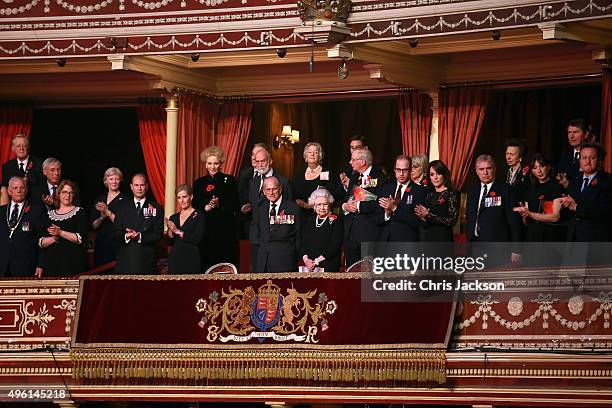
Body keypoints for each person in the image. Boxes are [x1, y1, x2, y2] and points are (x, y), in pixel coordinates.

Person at [465, 155, 521, 264]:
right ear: (476, 171)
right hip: (475, 246)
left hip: (498, 248)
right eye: (481, 169)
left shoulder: (506, 190)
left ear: (494, 169)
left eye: (488, 168)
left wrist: (516, 249)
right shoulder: (472, 191)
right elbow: (470, 218)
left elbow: (514, 222)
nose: (485, 173)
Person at [193, 146, 240, 269]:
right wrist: (206, 207)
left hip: (224, 230)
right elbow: (195, 205)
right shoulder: (198, 183)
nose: (212, 167)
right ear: (205, 164)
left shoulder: (230, 180)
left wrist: (220, 204)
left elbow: (235, 204)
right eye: (209, 163)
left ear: (221, 164)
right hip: (205, 230)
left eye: (216, 163)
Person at [246, 148, 292, 271]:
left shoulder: (283, 181)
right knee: (258, 272)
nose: (260, 165)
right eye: (257, 161)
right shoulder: (254, 181)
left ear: (270, 161)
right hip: (257, 236)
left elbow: (288, 209)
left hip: (277, 239)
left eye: (263, 161)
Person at [342, 146, 386, 266]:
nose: (350, 162)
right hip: (351, 235)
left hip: (369, 236)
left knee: (368, 277)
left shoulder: (380, 178)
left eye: (353, 159)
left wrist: (360, 206)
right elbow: (346, 199)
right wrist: (345, 206)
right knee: (352, 276)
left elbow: (381, 204)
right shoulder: (354, 177)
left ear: (362, 162)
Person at [559, 143, 611, 242]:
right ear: (580, 160)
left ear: (599, 160)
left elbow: (605, 212)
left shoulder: (607, 181)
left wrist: (577, 207)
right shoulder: (574, 181)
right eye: (584, 158)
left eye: (592, 158)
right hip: (573, 238)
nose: (587, 161)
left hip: (595, 239)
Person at [114, 173, 164, 275]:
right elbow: (116, 232)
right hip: (126, 261)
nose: (139, 188)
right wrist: (126, 236)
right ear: (131, 187)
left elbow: (158, 233)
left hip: (146, 261)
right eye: (136, 185)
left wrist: (140, 236)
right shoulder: (122, 207)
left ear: (147, 186)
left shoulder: (156, 208)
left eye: (142, 185)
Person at [38, 180, 88, 277]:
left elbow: (81, 238)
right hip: (52, 265)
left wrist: (60, 233)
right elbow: (40, 242)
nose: (67, 195)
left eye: (70, 192)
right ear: (58, 194)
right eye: (64, 192)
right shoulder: (48, 215)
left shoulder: (80, 213)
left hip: (73, 264)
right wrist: (54, 238)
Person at [512, 154, 565, 242]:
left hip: (550, 236)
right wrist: (524, 214)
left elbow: (555, 217)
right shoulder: (529, 191)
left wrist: (531, 214)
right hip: (531, 236)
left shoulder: (556, 187)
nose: (539, 171)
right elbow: (526, 222)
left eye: (542, 166)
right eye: (535, 168)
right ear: (532, 171)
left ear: (548, 167)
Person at [254, 176, 301, 272]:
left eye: (274, 189)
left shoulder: (293, 208)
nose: (271, 193)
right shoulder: (260, 209)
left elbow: (299, 236)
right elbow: (258, 234)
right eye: (268, 189)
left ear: (280, 189)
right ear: (264, 191)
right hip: (263, 261)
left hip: (285, 260)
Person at [0, 177, 44, 278]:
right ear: (9, 191)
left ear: (26, 190)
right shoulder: (1, 211)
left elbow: (42, 239)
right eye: (15, 188)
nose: (19, 191)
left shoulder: (36, 211)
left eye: (22, 188)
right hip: (2, 266)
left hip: (26, 266)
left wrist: (40, 264)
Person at [378, 155, 426, 242]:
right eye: (398, 170)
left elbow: (417, 222)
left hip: (406, 241)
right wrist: (387, 214)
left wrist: (394, 208)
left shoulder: (419, 191)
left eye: (405, 170)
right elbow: (377, 215)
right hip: (386, 240)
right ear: (394, 170)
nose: (401, 174)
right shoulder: (386, 187)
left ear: (410, 170)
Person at [90, 167, 128, 266]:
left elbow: (124, 224)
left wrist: (107, 212)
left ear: (121, 180)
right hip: (101, 243)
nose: (114, 182)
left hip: (117, 243)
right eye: (111, 179)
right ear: (106, 181)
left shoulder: (126, 200)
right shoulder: (100, 199)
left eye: (117, 179)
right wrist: (102, 217)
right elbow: (93, 225)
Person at [415, 160, 460, 242]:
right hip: (427, 237)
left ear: (444, 175)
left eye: (438, 174)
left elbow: (451, 221)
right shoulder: (429, 193)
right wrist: (422, 217)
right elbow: (425, 221)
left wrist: (428, 215)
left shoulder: (452, 193)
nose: (435, 177)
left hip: (443, 238)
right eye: (432, 174)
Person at [165, 184, 206, 274]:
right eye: (179, 197)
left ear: (191, 197)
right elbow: (170, 242)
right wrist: (170, 230)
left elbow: (197, 239)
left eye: (184, 197)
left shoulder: (199, 216)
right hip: (175, 259)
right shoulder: (174, 217)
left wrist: (177, 231)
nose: (182, 200)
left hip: (191, 258)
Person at [293, 142, 342, 216]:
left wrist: (312, 205)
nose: (312, 154)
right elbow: (293, 195)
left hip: (321, 214)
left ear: (320, 155)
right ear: (306, 155)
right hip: (301, 214)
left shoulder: (328, 173)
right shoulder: (298, 175)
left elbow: (333, 195)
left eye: (315, 152)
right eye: (309, 152)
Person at [301, 188, 343, 272]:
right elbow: (303, 242)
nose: (322, 208)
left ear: (330, 204)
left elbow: (335, 245)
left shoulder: (336, 220)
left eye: (325, 204)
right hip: (309, 265)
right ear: (314, 206)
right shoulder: (310, 220)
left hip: (329, 264)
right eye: (319, 205)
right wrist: (306, 261)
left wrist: (316, 261)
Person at [1, 134, 43, 206]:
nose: (21, 148)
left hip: (34, 205)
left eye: (24, 145)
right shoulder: (7, 166)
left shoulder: (39, 164)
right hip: (15, 207)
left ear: (28, 147)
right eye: (18, 146)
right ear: (13, 148)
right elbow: (4, 188)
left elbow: (43, 186)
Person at [237, 143, 268, 238]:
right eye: (253, 154)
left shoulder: (273, 176)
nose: (254, 158)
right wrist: (243, 206)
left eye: (257, 154)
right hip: (248, 220)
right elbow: (239, 194)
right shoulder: (244, 174)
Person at [557, 118, 592, 190]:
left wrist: (568, 185)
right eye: (569, 132)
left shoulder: (592, 158)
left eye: (575, 132)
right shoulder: (564, 158)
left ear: (586, 134)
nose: (571, 136)